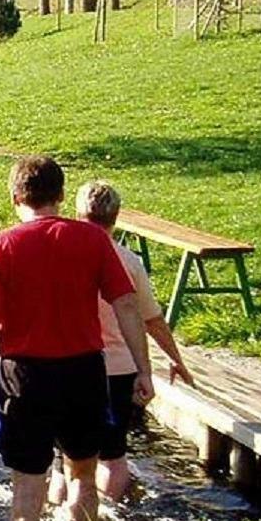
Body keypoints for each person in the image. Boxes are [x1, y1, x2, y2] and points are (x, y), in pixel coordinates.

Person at [0, 156, 153, 521]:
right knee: (83, 476)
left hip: (24, 377)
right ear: (60, 195)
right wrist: (143, 370)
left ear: (15, 198)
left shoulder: (0, 245)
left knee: (28, 487)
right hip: (84, 372)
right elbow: (127, 306)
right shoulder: (94, 239)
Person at [73, 180, 194, 501]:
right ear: (117, 217)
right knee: (113, 454)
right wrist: (175, 359)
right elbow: (152, 320)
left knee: (65, 459)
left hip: (74, 364)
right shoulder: (129, 262)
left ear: (77, 213)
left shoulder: (65, 257)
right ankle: (109, 511)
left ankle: (63, 512)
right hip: (119, 368)